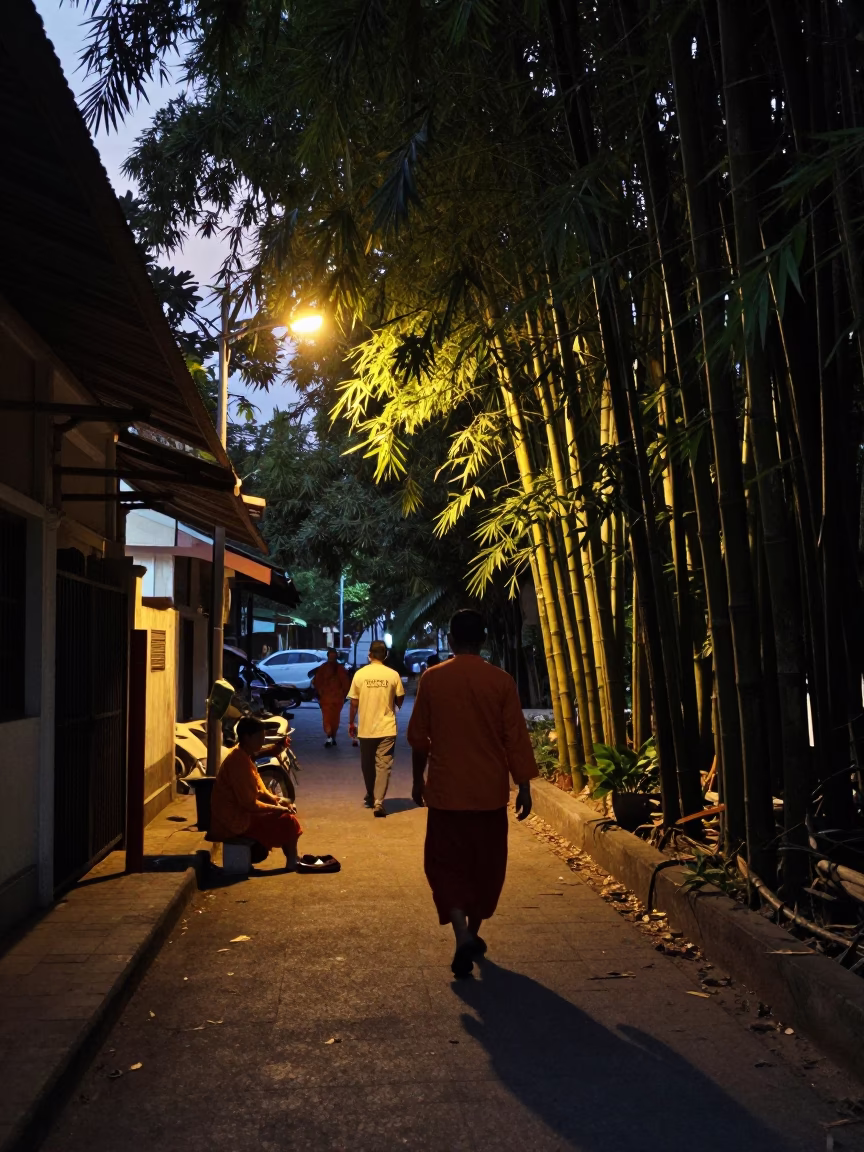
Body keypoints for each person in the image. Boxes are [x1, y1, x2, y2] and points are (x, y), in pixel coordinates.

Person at [408, 609, 538, 978]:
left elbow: (418, 738)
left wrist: (418, 780)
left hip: (446, 791)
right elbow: (516, 738)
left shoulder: (433, 679)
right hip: (488, 793)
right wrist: (524, 785)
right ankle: (471, 933)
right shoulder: (500, 681)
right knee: (485, 867)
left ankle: (461, 934)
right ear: (483, 640)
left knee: (445, 865)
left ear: (450, 640)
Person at [208, 716, 303, 869]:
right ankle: (292, 860)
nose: (262, 741)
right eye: (259, 738)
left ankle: (293, 857)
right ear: (247, 737)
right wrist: (278, 809)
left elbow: (261, 791)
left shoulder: (243, 755)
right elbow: (249, 804)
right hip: (234, 820)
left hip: (242, 812)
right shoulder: (237, 762)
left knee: (286, 809)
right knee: (288, 820)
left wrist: (278, 801)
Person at [348, 640, 405, 817]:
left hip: (366, 728)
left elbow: (354, 703)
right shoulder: (393, 675)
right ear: (385, 656)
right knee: (383, 765)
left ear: (370, 655)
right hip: (387, 727)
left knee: (367, 765)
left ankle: (373, 796)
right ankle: (378, 800)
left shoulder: (360, 674)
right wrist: (395, 707)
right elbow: (400, 697)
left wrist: (351, 723)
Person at [311, 648, 351, 747]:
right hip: (337, 698)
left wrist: (320, 692)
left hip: (326, 698)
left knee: (327, 717)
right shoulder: (340, 669)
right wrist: (344, 694)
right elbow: (346, 683)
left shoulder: (323, 668)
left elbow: (316, 681)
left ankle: (329, 736)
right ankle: (332, 736)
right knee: (335, 718)